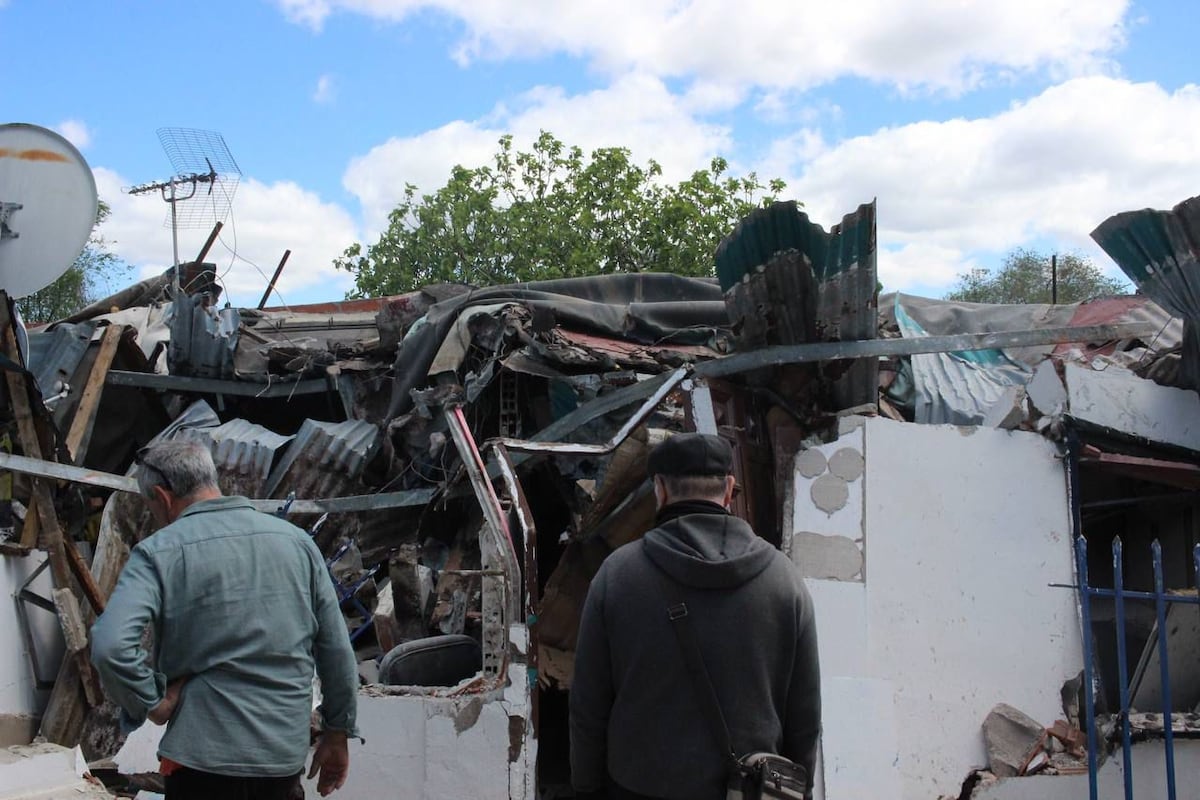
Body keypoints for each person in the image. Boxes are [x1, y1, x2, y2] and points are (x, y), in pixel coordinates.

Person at [91, 440, 359, 799]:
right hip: (280, 759)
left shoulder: (160, 551)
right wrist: (337, 732)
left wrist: (152, 702)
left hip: (200, 763)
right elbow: (336, 650)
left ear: (162, 496)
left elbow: (110, 646)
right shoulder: (297, 544)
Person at [569, 433, 821, 800]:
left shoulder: (617, 575)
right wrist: (800, 789)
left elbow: (588, 705)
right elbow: (805, 715)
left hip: (638, 787)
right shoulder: (785, 581)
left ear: (660, 490)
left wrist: (586, 789)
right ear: (730, 488)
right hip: (747, 789)